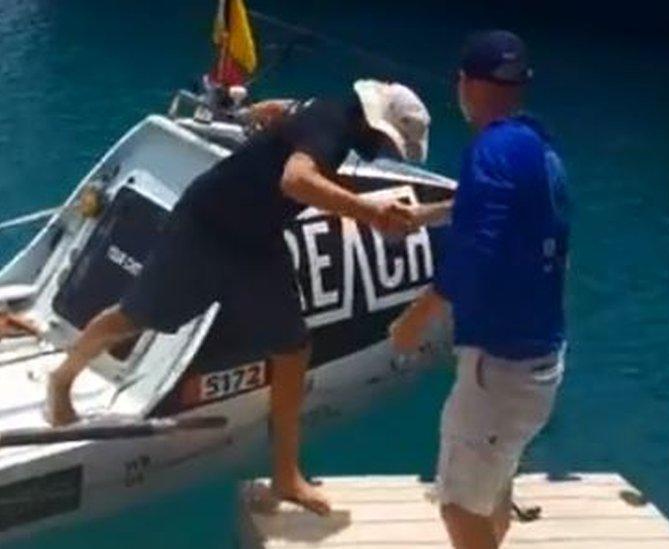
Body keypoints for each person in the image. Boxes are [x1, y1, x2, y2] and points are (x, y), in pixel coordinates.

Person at [47, 79, 433, 516]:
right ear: (373, 124)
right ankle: (62, 380)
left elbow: (277, 111)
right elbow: (297, 181)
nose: (384, 151)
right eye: (386, 142)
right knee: (135, 315)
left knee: (293, 349)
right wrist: (369, 213)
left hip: (255, 241)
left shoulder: (320, 111)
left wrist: (252, 116)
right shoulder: (330, 126)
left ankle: (286, 476)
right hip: (206, 228)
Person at [390, 31, 570, 548]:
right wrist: (428, 214)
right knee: (493, 485)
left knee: (458, 507)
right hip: (542, 359)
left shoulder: (488, 151)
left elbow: (474, 257)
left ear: (464, 84)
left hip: (501, 369)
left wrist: (412, 321)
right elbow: (510, 211)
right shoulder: (535, 144)